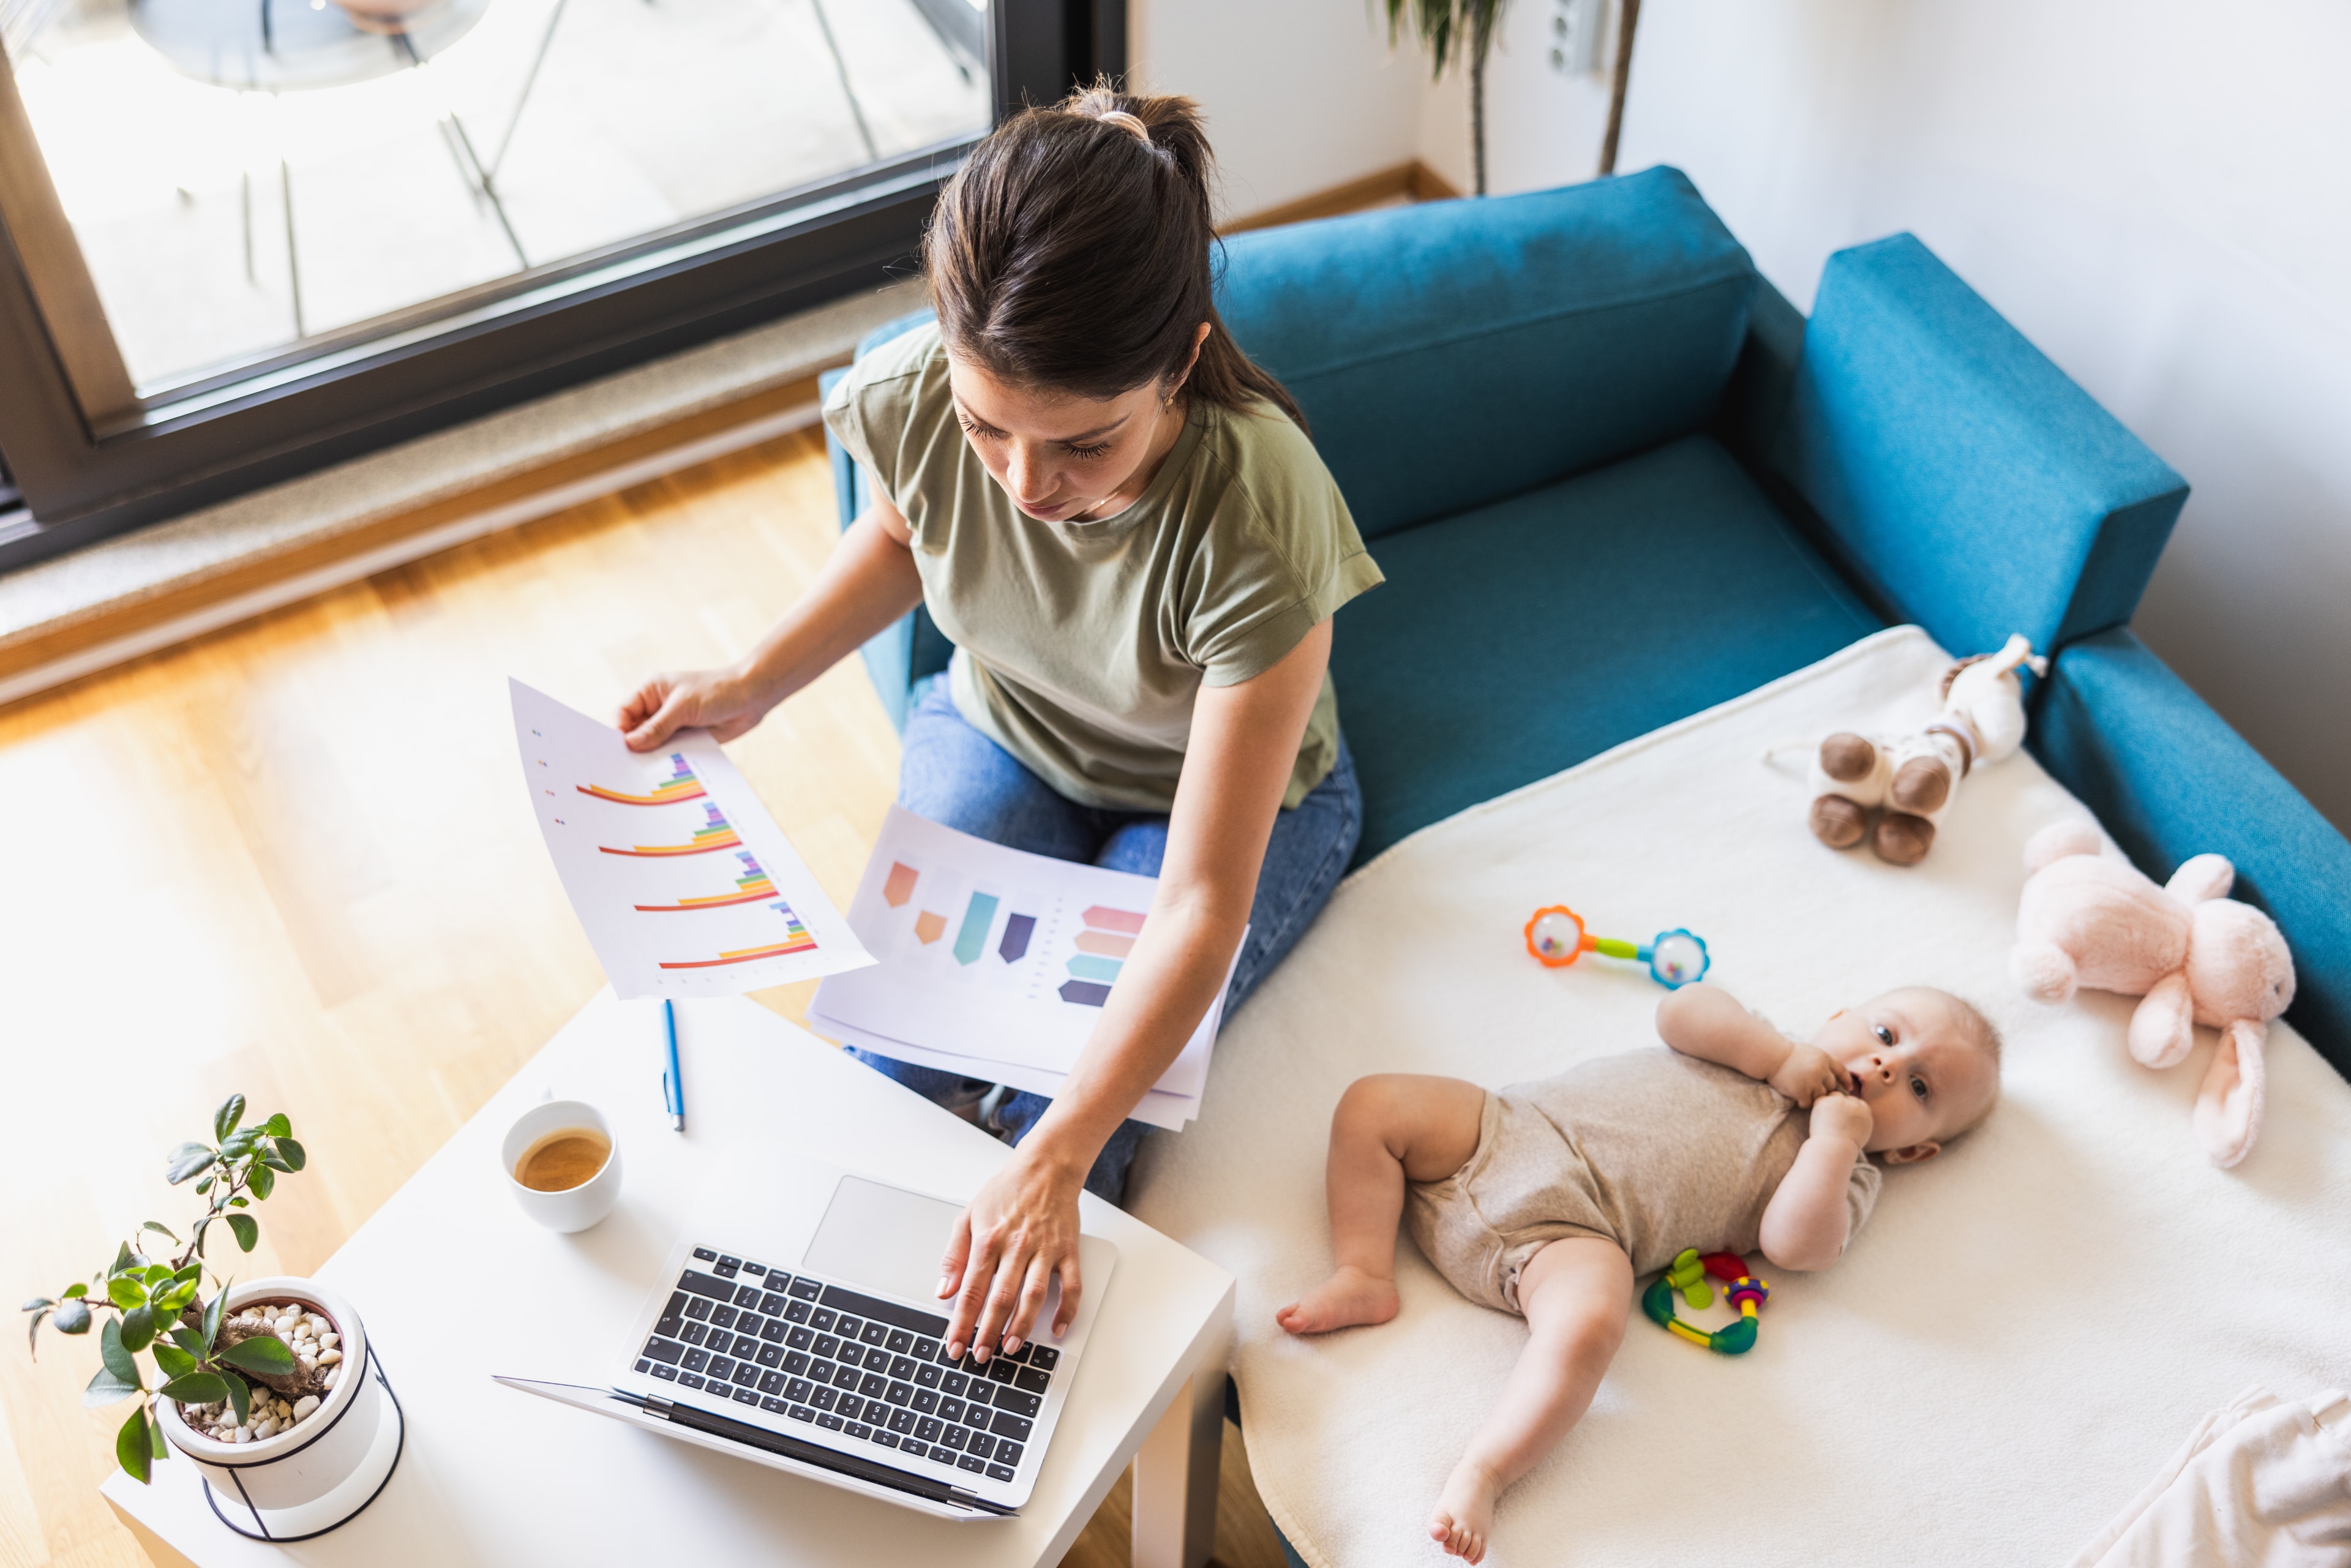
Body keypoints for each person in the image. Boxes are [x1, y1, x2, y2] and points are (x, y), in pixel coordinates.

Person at [617, 84, 1381, 1372]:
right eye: (990, 430)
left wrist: (1058, 1149)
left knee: (1061, 1110)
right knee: (872, 1063)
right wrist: (749, 680)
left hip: (1209, 799)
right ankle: (813, 1368)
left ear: (1181, 361)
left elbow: (1199, 900)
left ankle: (984, 1403)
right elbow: (902, 534)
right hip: (1007, 726)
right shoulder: (914, 394)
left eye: (1083, 444)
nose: (1027, 487)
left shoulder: (1261, 505)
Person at [1277, 984, 2004, 1564]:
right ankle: (1364, 1269)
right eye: (1885, 1035)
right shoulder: (1756, 1040)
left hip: (1574, 1232)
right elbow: (1680, 1010)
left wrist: (1837, 1143)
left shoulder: (1850, 1172)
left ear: (1914, 1152)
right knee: (1374, 1100)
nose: (1884, 1066)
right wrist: (1777, 1055)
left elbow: (1797, 1244)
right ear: (1839, 1015)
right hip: (1503, 1128)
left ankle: (1486, 1469)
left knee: (1594, 1317)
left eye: (1918, 1086)